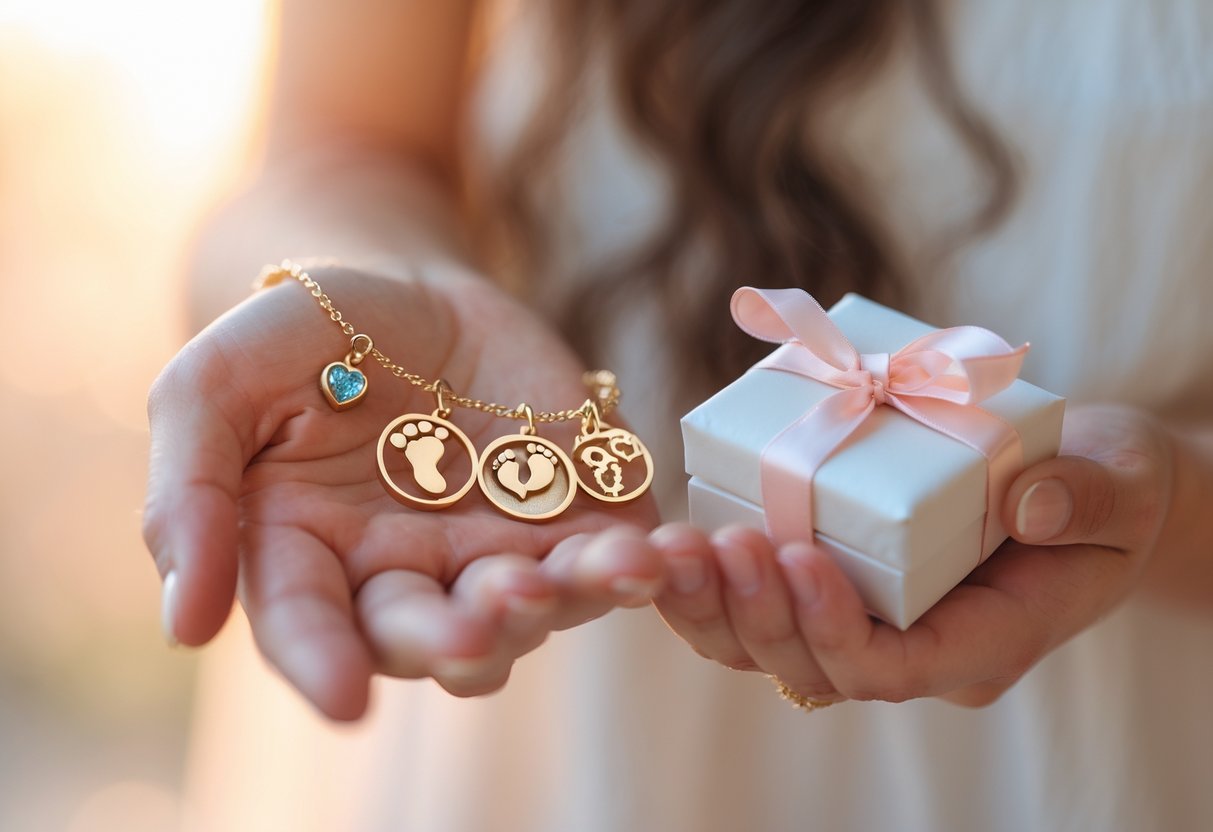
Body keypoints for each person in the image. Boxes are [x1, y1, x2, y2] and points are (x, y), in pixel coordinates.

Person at [144, 1, 1213, 829]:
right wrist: (361, 294)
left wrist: (1169, 507)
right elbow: (333, 146)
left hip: (1098, 733)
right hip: (550, 686)